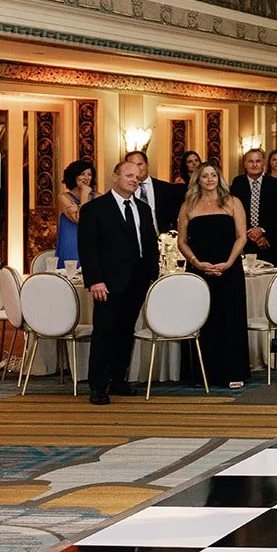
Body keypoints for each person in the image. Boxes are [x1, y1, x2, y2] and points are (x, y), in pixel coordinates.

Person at [78, 158, 159, 404]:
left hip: (137, 282)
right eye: (128, 176)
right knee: (105, 332)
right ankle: (98, 386)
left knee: (126, 332)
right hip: (107, 283)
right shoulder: (95, 209)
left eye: (137, 177)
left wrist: (151, 273)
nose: (134, 180)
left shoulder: (143, 209)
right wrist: (95, 281)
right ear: (115, 177)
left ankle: (118, 380)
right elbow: (88, 248)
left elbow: (149, 243)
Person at [178, 162, 250, 389]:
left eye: (213, 175)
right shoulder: (188, 204)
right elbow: (181, 241)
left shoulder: (232, 202)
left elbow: (241, 236)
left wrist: (229, 262)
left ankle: (234, 372)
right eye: (204, 176)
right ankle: (202, 374)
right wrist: (196, 262)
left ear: (219, 178)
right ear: (197, 180)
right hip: (199, 269)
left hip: (228, 267)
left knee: (231, 318)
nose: (209, 179)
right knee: (203, 319)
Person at [230, 148, 277, 262]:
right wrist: (253, 234)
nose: (254, 164)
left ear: (263, 163)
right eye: (251, 161)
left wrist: (262, 231)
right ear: (245, 164)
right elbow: (234, 212)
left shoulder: (276, 185)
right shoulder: (238, 183)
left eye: (258, 161)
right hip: (245, 243)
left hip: (271, 243)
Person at [127, 151, 181, 234]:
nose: (137, 168)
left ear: (147, 164)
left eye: (140, 164)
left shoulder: (167, 188)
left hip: (163, 240)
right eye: (132, 165)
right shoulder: (126, 191)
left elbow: (176, 218)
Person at [56, 159, 95, 266]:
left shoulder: (99, 197)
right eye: (82, 174)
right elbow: (81, 220)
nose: (86, 177)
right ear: (74, 176)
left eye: (89, 174)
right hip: (71, 244)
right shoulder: (63, 197)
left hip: (91, 243)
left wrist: (77, 208)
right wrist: (84, 195)